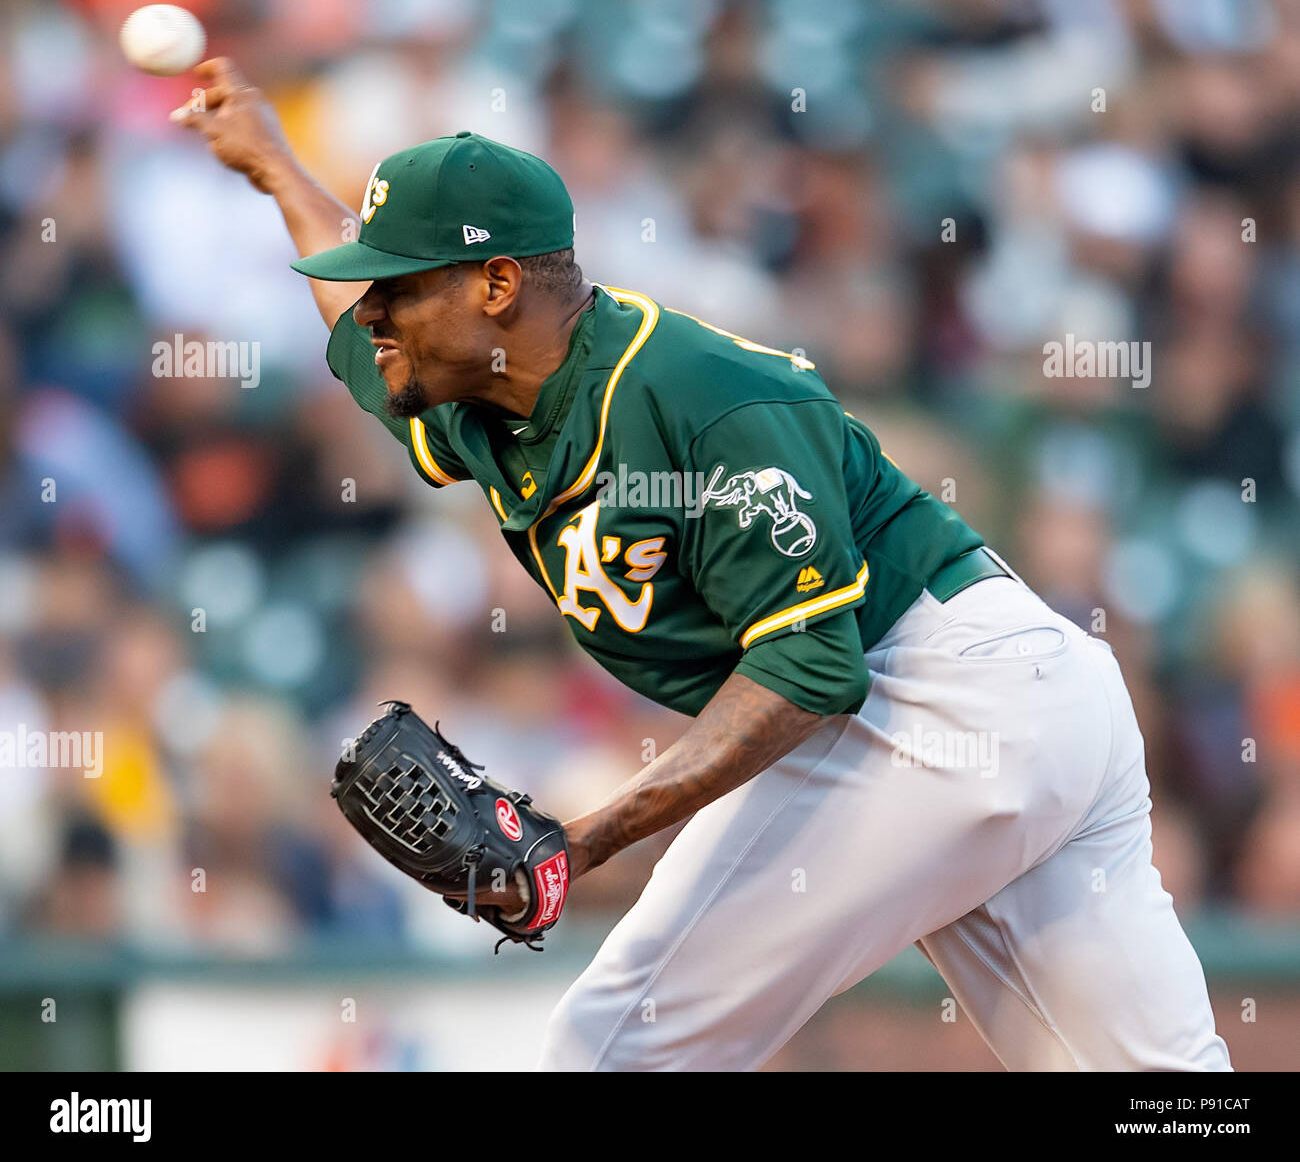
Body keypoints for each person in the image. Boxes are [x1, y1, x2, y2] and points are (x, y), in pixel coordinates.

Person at [173, 59, 1231, 1072]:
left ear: (496, 284)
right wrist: (273, 165)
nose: (370, 314)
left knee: (612, 1049)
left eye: (394, 288)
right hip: (1014, 705)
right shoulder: (471, 391)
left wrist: (583, 843)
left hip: (932, 695)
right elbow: (356, 338)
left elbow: (813, 670)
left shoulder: (700, 394)